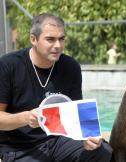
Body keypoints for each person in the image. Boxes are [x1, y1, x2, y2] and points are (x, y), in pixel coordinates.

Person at [0, 13, 112, 162]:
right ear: (33, 39)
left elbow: (77, 117)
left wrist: (88, 138)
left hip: (58, 142)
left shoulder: (71, 67)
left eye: (61, 39)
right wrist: (26, 118)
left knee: (103, 151)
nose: (58, 45)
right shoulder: (8, 66)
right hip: (20, 148)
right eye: (50, 39)